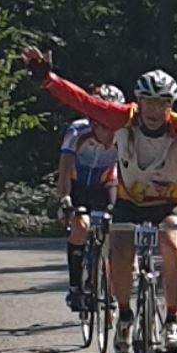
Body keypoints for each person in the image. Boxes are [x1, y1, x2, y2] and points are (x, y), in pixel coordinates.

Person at [22, 47, 177, 353]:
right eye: (148, 102)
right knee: (119, 249)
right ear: (138, 101)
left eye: (161, 103)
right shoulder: (123, 118)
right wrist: (48, 79)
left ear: (170, 106)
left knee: (172, 244)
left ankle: (172, 319)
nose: (154, 111)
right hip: (129, 199)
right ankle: (125, 315)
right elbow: (84, 102)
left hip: (167, 201)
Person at [57, 84, 124, 312]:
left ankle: (109, 286)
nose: (110, 130)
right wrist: (65, 197)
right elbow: (65, 168)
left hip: (105, 185)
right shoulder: (77, 132)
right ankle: (75, 286)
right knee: (81, 225)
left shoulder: (123, 135)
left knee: (115, 229)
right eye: (104, 123)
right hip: (77, 186)